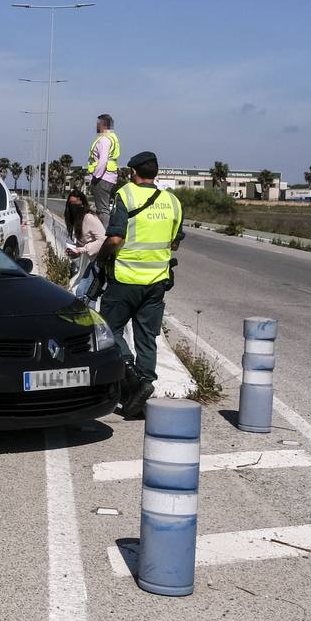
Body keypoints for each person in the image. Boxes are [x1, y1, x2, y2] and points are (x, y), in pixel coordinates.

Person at [97, 150, 184, 420]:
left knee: (110, 330)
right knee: (147, 337)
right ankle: (145, 384)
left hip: (125, 279)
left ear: (134, 173)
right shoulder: (172, 201)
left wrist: (101, 259)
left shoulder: (126, 195)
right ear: (155, 174)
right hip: (156, 282)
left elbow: (114, 239)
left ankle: (130, 374)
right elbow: (175, 241)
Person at [62, 188, 107, 300]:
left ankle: (88, 316)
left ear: (83, 203)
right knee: (85, 293)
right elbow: (82, 244)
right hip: (92, 261)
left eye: (77, 204)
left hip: (100, 261)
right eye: (71, 204)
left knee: (84, 293)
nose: (74, 207)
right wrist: (74, 252)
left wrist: (82, 250)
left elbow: (103, 239)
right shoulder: (77, 221)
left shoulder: (89, 217)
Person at [87, 113, 121, 214]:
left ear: (103, 125)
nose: (96, 126)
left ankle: (104, 230)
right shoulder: (112, 137)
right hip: (109, 177)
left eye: (98, 124)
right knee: (104, 208)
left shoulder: (104, 140)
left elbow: (102, 161)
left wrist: (96, 177)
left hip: (102, 178)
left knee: (102, 210)